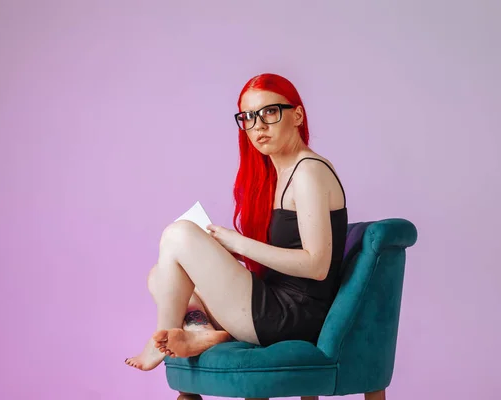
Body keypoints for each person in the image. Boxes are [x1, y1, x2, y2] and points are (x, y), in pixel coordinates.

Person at [125, 73, 348, 371]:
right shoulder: (278, 174)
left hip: (293, 315)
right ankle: (202, 333)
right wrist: (231, 252)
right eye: (249, 117)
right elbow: (286, 249)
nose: (258, 126)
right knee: (162, 275)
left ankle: (159, 344)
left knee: (178, 235)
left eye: (270, 112)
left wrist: (238, 242)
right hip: (270, 302)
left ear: (297, 115)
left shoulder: (308, 172)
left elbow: (317, 266)